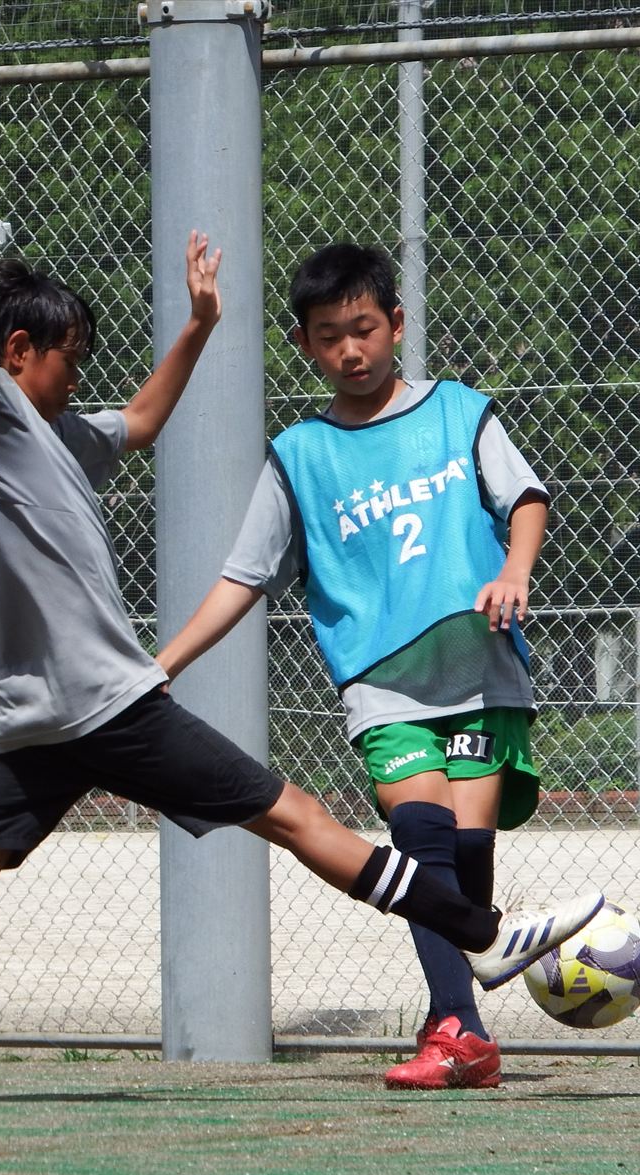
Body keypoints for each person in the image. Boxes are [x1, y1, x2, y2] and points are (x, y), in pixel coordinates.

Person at [0, 231, 603, 1092]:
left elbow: (141, 419)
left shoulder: (60, 435)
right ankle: (485, 933)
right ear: (18, 354)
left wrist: (200, 325)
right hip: (109, 708)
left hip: (31, 721)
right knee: (295, 816)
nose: (80, 374)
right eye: (70, 357)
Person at [155, 242, 553, 1090]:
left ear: (396, 324)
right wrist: (166, 661)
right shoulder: (300, 455)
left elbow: (524, 497)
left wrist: (515, 571)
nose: (350, 350)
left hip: (478, 668)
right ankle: (459, 1027)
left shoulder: (460, 412)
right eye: (330, 336)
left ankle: (459, 1025)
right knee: (421, 837)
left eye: (364, 329)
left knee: (466, 850)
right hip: (384, 684)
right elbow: (244, 577)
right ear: (304, 343)